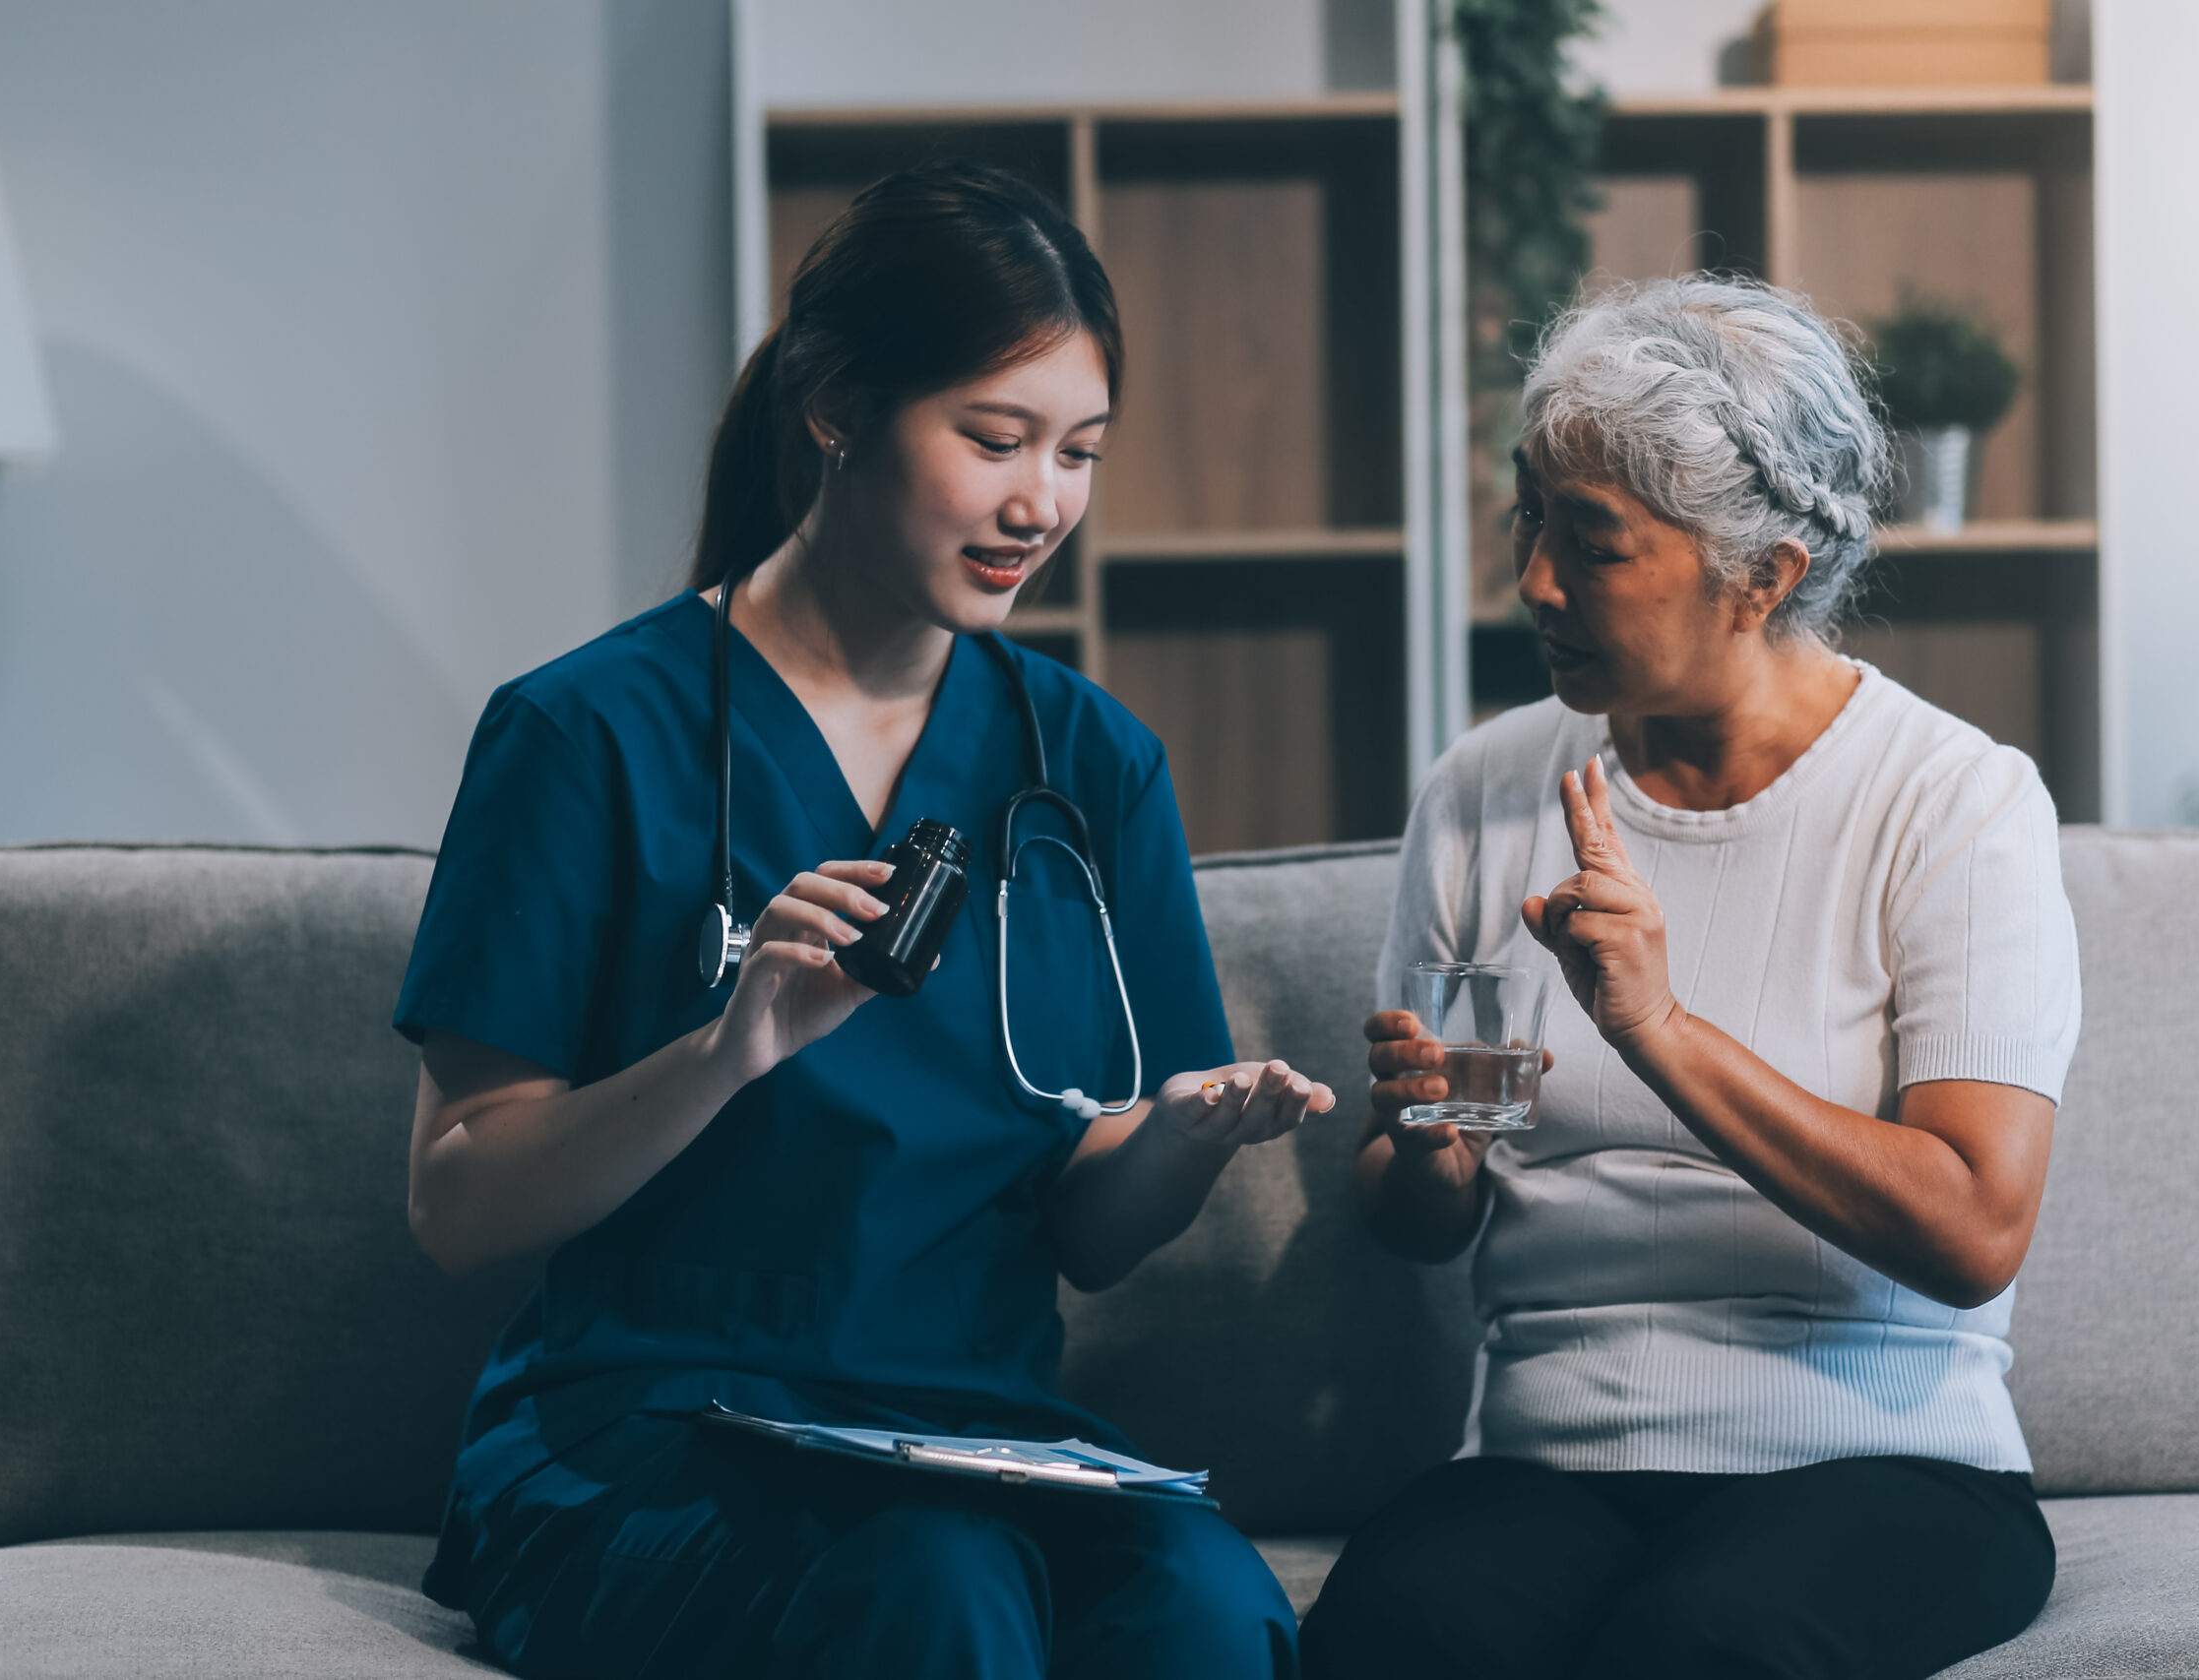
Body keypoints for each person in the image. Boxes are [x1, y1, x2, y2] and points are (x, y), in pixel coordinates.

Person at [395, 161, 1329, 1680]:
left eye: (1081, 453)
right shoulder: (585, 735)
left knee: (1207, 1608)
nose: (1044, 504)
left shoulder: (1091, 764)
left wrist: (1182, 1138)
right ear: (836, 406)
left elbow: (1093, 1237)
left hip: (981, 1432)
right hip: (650, 1430)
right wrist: (724, 1049)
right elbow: (458, 1202)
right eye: (994, 439)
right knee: (933, 1588)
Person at [1300, 276, 2080, 1680]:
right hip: (1551, 1453)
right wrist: (1427, 1153)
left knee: (1709, 1645)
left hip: (1887, 1454)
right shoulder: (1484, 788)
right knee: (1394, 1636)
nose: (1533, 577)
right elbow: (1414, 1216)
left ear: (1763, 575)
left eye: (1592, 544)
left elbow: (1974, 1232)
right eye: (1528, 516)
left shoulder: (1955, 803)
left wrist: (1658, 1029)